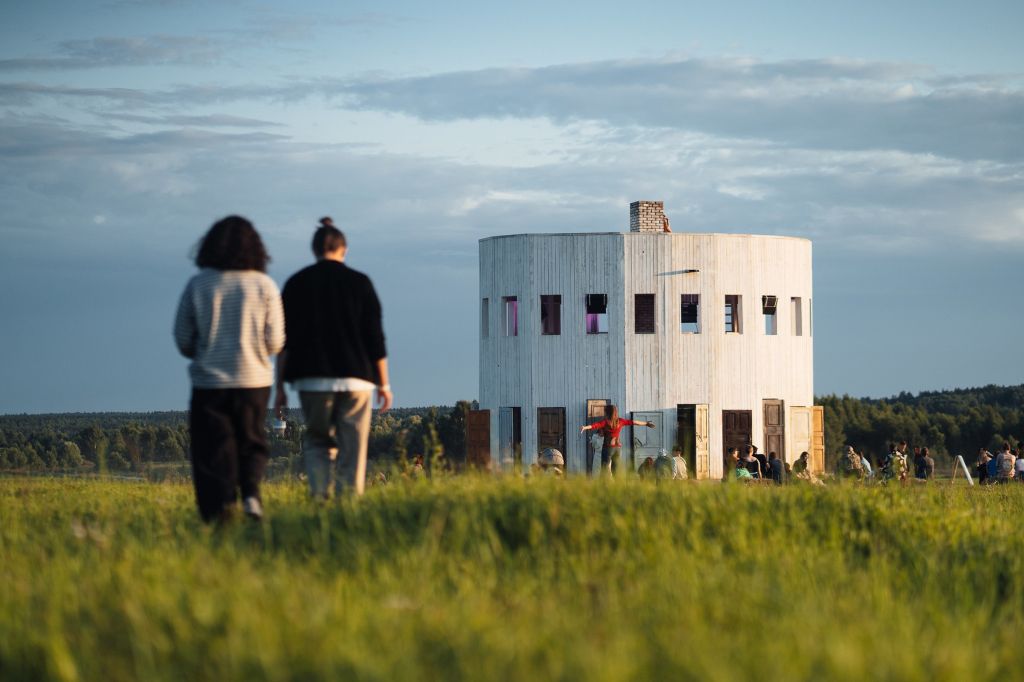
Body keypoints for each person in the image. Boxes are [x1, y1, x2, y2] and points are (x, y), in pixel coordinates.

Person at [173, 216, 284, 523]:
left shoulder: (199, 284)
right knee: (252, 441)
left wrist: (205, 349)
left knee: (213, 449)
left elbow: (183, 339)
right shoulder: (265, 286)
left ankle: (219, 513)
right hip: (254, 380)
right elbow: (275, 341)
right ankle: (251, 493)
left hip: (210, 382)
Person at [274, 217, 392, 498]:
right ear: (344, 249)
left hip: (312, 380)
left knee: (318, 443)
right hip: (356, 380)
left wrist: (279, 389)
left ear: (314, 250)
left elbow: (284, 343)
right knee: (353, 448)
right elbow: (375, 340)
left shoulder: (296, 284)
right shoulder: (361, 283)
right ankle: (348, 507)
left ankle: (320, 502)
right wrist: (384, 384)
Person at [580, 405, 654, 477]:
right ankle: (617, 483)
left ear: (607, 413)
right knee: (615, 469)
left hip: (608, 448)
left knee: (604, 469)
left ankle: (604, 484)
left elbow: (595, 425)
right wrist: (646, 423)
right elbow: (634, 422)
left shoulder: (605, 422)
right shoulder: (620, 421)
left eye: (605, 412)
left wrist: (585, 427)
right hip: (617, 449)